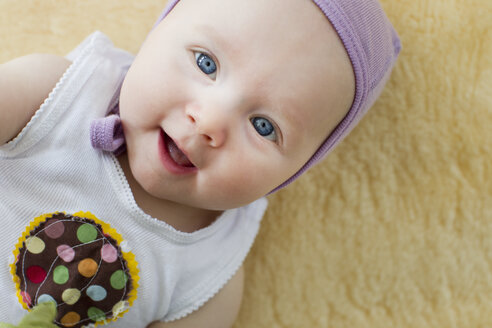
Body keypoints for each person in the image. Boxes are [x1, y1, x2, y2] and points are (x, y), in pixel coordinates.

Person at [0, 0, 401, 327]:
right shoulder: (57, 97)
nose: (209, 120)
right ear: (158, 31)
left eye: (264, 127)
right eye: (206, 63)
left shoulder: (210, 278)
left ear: (295, 171)